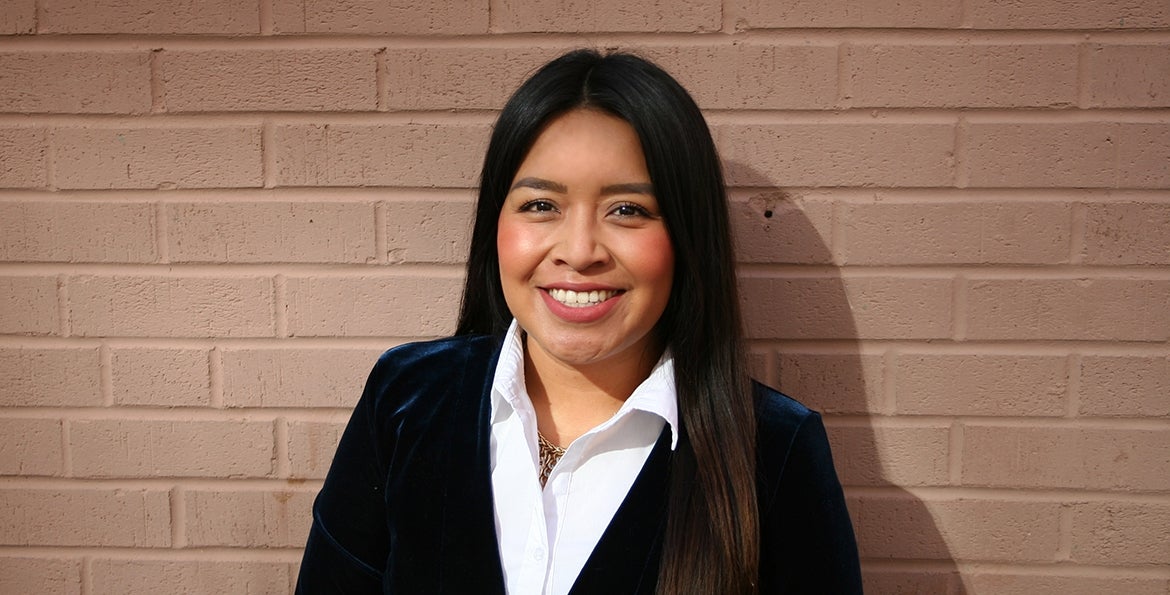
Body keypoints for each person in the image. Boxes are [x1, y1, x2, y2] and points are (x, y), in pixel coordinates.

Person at [296, 49, 862, 594]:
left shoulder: (775, 452)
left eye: (628, 210)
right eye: (541, 205)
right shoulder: (407, 399)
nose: (580, 250)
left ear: (688, 235)